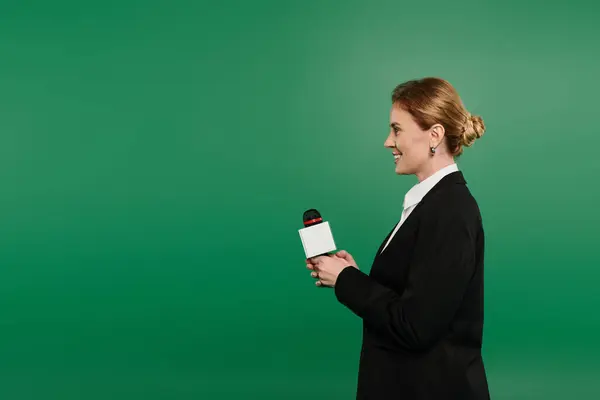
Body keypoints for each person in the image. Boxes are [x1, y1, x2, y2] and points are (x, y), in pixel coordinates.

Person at [306, 77, 490, 399]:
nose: (388, 142)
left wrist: (347, 279)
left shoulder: (450, 211)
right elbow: (413, 294)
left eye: (397, 129)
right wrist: (349, 276)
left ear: (434, 135)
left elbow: (415, 326)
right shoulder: (432, 203)